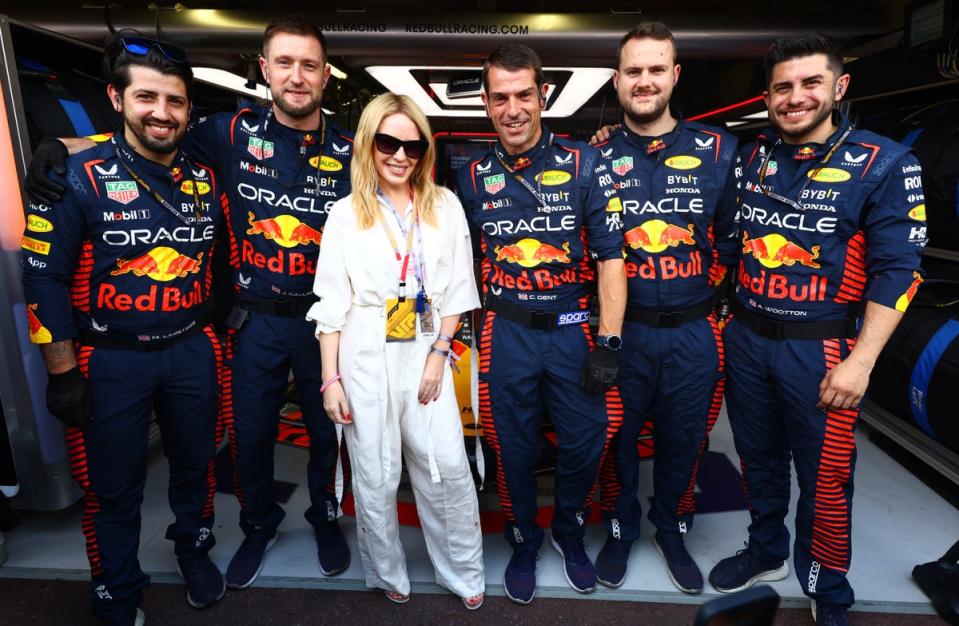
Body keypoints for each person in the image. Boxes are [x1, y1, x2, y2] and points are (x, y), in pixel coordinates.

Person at [25, 15, 353, 589]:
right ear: (264, 71)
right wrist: (61, 147)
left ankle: (325, 517)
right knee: (249, 433)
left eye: (308, 65)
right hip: (251, 321)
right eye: (284, 63)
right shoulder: (226, 133)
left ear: (326, 75)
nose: (296, 77)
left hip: (330, 322)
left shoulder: (355, 149)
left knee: (329, 432)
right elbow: (147, 139)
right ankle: (257, 525)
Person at [708, 34, 926, 626]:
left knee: (825, 478)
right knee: (758, 460)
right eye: (783, 86)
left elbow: (900, 272)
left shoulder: (885, 163)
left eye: (809, 83)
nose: (795, 97)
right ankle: (767, 549)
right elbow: (727, 246)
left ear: (839, 87)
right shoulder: (751, 158)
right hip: (747, 341)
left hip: (824, 348)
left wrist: (861, 362)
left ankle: (827, 585)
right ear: (769, 96)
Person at [20, 33, 226, 625]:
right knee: (115, 487)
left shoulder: (203, 178)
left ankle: (194, 549)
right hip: (109, 358)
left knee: (196, 465)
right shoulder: (75, 175)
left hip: (190, 348)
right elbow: (43, 280)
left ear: (189, 108)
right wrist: (62, 373)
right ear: (116, 97)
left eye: (175, 101)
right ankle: (116, 586)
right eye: (147, 97)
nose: (161, 112)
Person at [456, 43, 627, 604]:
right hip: (505, 333)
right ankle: (525, 537)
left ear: (542, 96)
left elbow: (610, 257)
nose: (513, 109)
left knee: (586, 441)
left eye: (524, 95)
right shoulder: (473, 176)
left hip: (573, 331)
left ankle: (568, 529)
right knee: (513, 447)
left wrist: (609, 341)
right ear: (484, 102)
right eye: (500, 97)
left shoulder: (586, 163)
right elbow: (456, 261)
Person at [308, 93, 485, 609]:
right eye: (389, 142)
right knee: (374, 470)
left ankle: (462, 569)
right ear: (368, 144)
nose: (400, 155)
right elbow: (330, 304)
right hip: (363, 350)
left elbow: (457, 290)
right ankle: (386, 571)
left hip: (425, 346)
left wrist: (439, 353)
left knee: (447, 463)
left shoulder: (445, 205)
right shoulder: (344, 216)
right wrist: (329, 380)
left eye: (413, 144)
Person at [590, 22, 739, 594]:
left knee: (685, 439)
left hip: (694, 333)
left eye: (656, 69)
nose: (644, 81)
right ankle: (622, 529)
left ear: (675, 76)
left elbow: (731, 241)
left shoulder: (720, 150)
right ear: (618, 80)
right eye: (634, 71)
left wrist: (704, 299)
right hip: (621, 332)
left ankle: (673, 530)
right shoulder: (591, 157)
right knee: (616, 438)